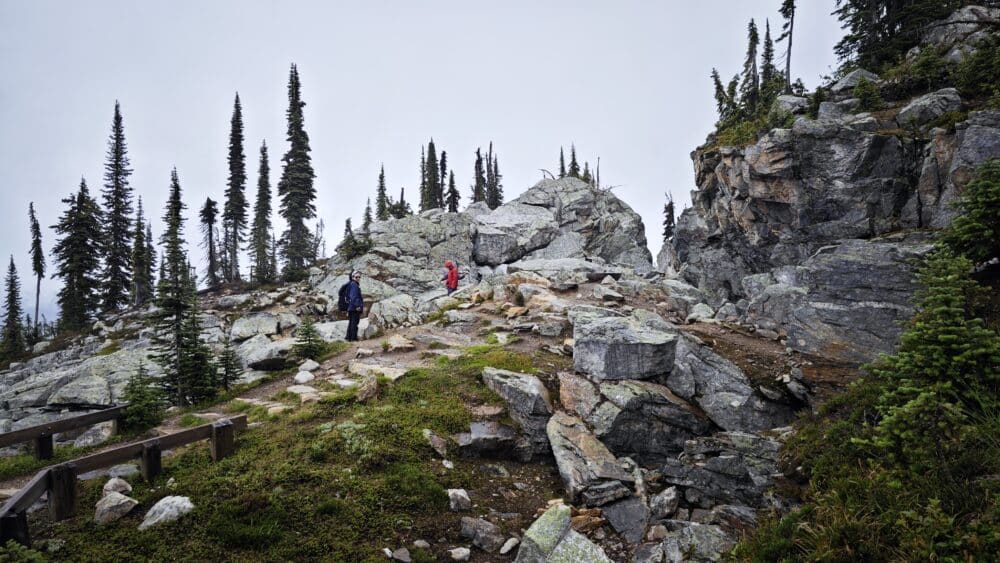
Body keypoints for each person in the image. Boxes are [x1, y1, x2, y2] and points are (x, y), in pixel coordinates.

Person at [345, 270, 365, 341]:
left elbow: (348, 297)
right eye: (356, 277)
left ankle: (348, 338)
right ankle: (353, 338)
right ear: (353, 277)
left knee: (351, 323)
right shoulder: (354, 285)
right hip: (354, 308)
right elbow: (353, 297)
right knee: (354, 323)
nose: (358, 278)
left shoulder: (352, 284)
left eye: (359, 277)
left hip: (351, 307)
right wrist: (358, 306)